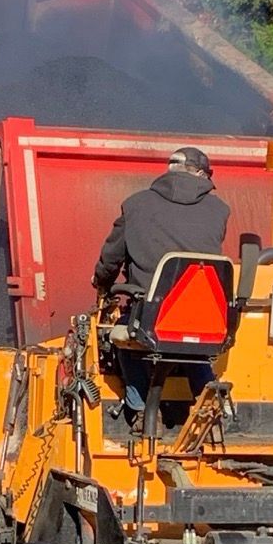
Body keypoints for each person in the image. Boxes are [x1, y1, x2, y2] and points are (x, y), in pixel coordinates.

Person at [93, 147, 231, 419]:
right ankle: (209, 401)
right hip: (207, 318)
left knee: (126, 332)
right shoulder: (220, 210)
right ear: (201, 174)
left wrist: (102, 283)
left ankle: (139, 408)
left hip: (153, 318)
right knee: (192, 343)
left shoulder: (136, 204)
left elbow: (112, 258)